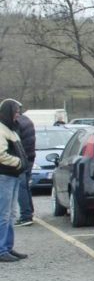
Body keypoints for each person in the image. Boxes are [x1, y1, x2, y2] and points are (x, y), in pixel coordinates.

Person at [0, 99, 30, 262]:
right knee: (3, 214)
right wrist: (18, 162)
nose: (18, 114)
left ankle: (7, 246)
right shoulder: (1, 130)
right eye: (16, 111)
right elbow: (1, 155)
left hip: (13, 176)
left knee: (11, 214)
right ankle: (1, 249)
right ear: (8, 112)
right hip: (4, 176)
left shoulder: (10, 129)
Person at [14, 107, 35, 226]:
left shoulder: (17, 123)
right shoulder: (26, 119)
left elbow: (14, 141)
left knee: (20, 187)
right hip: (29, 157)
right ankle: (29, 212)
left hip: (20, 158)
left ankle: (26, 215)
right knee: (25, 186)